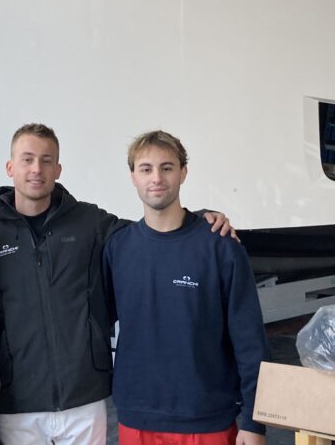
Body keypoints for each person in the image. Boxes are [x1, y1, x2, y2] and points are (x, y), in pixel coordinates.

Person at [0, 124, 234, 445]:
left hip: (85, 398)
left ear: (58, 168)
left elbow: (154, 232)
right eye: (27, 160)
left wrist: (201, 218)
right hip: (17, 404)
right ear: (10, 167)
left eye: (46, 160)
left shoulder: (88, 222)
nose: (36, 169)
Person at [103, 130, 268, 445]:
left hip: (206, 419)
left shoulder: (220, 246)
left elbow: (250, 341)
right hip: (137, 416)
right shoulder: (118, 248)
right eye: (146, 169)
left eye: (167, 167)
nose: (157, 178)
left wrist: (254, 421)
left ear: (183, 173)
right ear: (133, 177)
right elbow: (96, 323)